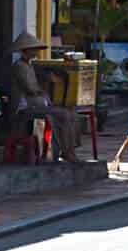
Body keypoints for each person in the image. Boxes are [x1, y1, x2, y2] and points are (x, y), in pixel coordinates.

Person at [9, 32, 84, 162]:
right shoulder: (19, 66)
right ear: (26, 50)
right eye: (34, 49)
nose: (36, 51)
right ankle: (67, 152)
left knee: (72, 113)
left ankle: (70, 148)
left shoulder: (29, 65)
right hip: (26, 107)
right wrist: (42, 91)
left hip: (37, 103)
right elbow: (30, 89)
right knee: (63, 114)